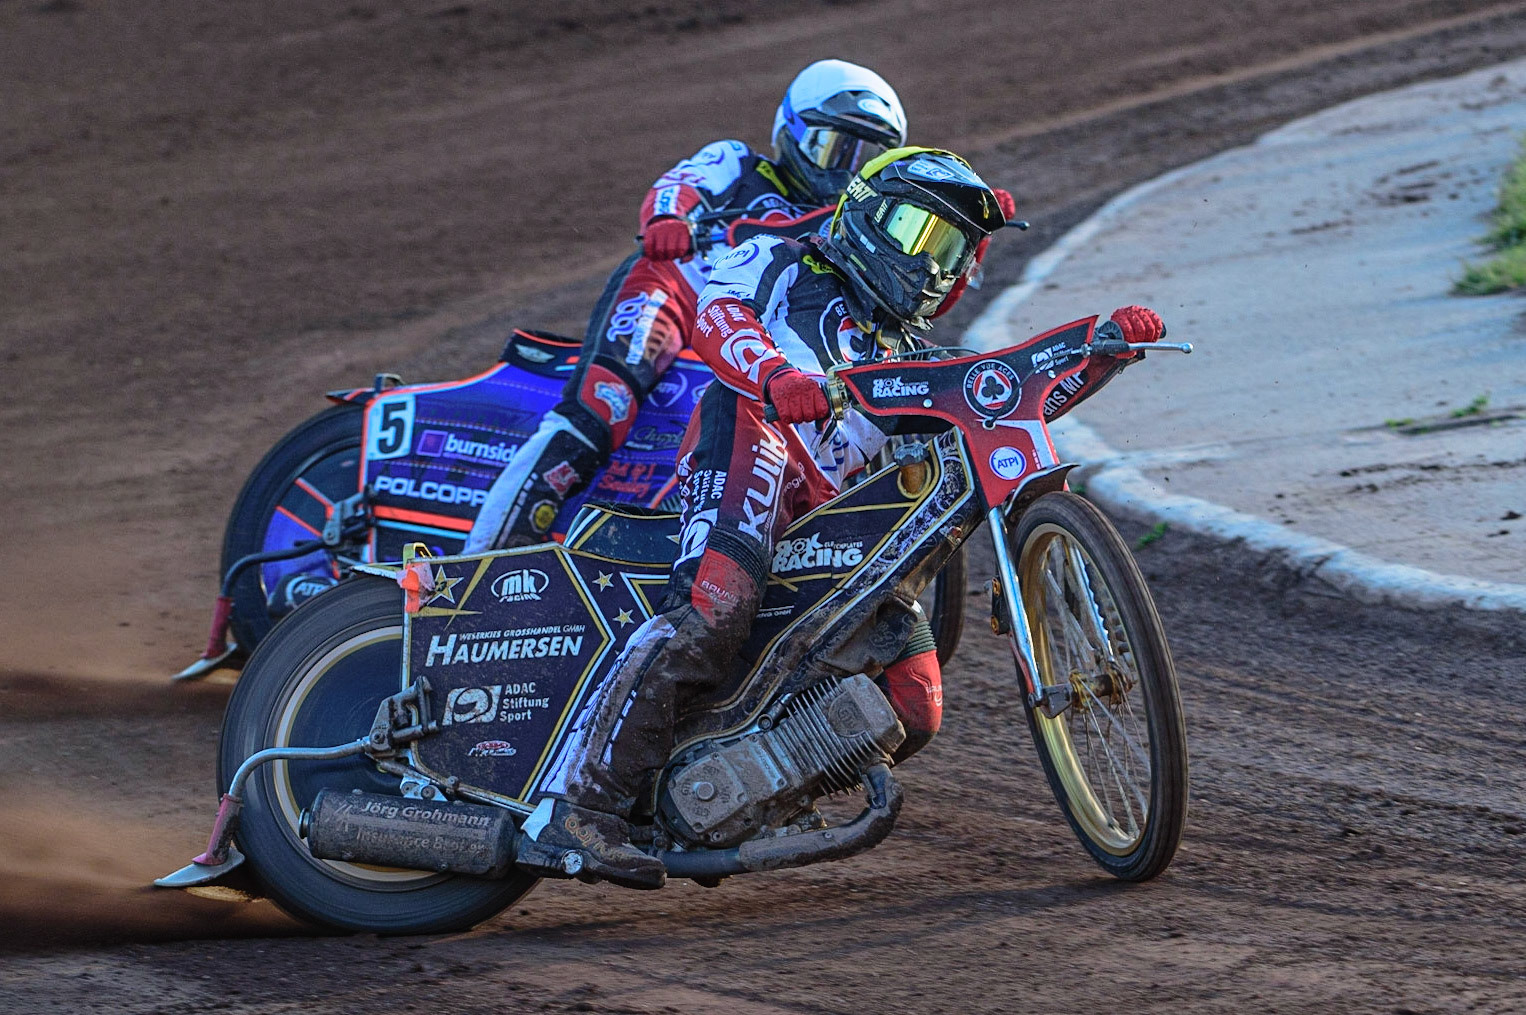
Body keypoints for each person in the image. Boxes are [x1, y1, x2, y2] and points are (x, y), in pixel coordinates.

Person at [514, 147, 1168, 889]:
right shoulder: (788, 261)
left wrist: (1098, 354)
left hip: (832, 519)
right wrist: (777, 375)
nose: (933, 266)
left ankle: (736, 793)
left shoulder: (914, 354)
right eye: (921, 234)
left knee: (915, 701)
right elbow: (717, 315)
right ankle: (572, 808)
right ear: (866, 210)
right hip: (753, 439)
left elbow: (996, 407)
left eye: (953, 252)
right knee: (711, 611)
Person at [465, 59, 912, 552]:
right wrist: (666, 220)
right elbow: (678, 187)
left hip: (764, 331)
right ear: (791, 128)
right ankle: (481, 554)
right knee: (599, 409)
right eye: (833, 148)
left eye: (863, 156)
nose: (843, 172)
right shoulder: (737, 163)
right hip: (673, 293)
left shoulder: (854, 222)